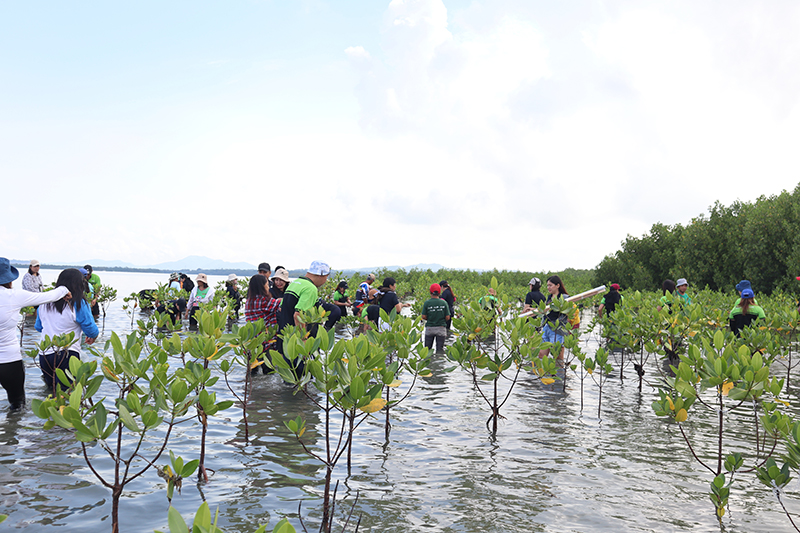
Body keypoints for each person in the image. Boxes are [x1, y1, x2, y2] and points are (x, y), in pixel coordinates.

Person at [0, 258, 71, 408]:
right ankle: (14, 430)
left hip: (9, 358)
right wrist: (65, 289)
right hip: (8, 360)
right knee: (17, 405)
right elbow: (47, 297)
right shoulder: (14, 296)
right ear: (9, 279)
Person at [35, 268, 99, 390]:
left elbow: (39, 327)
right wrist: (93, 337)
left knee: (51, 393)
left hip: (44, 354)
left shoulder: (45, 303)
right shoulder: (78, 303)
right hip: (66, 354)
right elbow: (91, 330)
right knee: (66, 395)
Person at [245, 274, 282, 374]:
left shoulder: (249, 300)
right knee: (269, 370)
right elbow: (281, 305)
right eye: (266, 284)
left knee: (252, 371)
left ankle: (250, 389)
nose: (268, 286)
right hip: (264, 340)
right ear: (262, 286)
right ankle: (266, 389)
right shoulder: (264, 300)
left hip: (251, 339)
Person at [538, 275, 576, 360]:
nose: (548, 287)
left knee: (557, 357)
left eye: (550, 285)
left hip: (558, 329)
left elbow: (571, 314)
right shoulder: (549, 297)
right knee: (541, 355)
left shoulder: (565, 298)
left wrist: (566, 327)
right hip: (547, 327)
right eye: (547, 285)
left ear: (558, 285)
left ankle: (560, 373)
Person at [421, 283, 450, 354]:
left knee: (427, 350)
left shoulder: (427, 303)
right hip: (441, 328)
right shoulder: (444, 303)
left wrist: (431, 318)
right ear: (439, 292)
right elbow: (448, 317)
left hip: (430, 328)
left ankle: (428, 364)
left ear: (430, 292)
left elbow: (423, 316)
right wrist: (441, 320)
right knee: (440, 350)